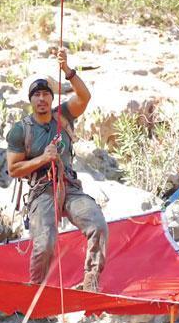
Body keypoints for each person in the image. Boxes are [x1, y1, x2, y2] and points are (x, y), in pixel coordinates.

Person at [6, 48, 109, 292]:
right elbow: (13, 169)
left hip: (69, 187)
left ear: (51, 99)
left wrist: (68, 72)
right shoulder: (21, 130)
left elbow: (84, 98)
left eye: (45, 95)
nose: (41, 99)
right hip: (41, 191)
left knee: (97, 224)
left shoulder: (62, 117)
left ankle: (90, 281)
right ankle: (35, 288)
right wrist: (42, 159)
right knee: (46, 242)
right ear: (30, 101)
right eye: (36, 95)